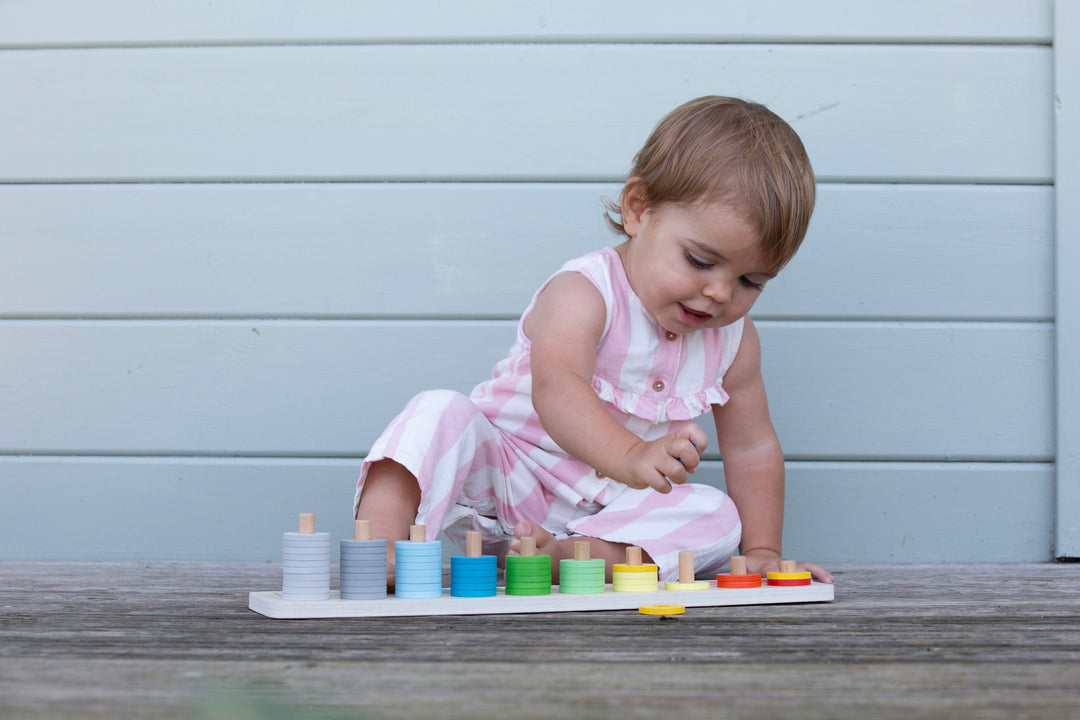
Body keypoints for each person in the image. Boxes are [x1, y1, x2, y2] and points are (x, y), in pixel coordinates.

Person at [354, 96, 833, 585]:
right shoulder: (585, 292)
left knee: (717, 516)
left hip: (609, 511)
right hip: (508, 476)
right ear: (638, 210)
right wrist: (630, 456)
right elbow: (558, 388)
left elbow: (752, 448)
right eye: (700, 261)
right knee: (438, 412)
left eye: (751, 282)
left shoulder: (733, 341)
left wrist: (762, 549)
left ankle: (565, 556)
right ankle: (383, 545)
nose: (719, 293)